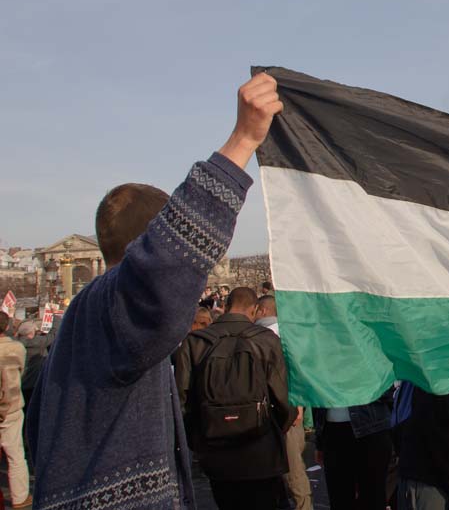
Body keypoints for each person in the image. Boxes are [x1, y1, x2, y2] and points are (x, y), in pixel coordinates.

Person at [26, 73, 281, 510]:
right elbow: (167, 264)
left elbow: (37, 430)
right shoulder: (114, 308)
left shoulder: (79, 321)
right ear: (147, 245)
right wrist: (242, 141)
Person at [175, 286, 294, 510]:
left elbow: (183, 402)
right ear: (255, 309)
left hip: (216, 449)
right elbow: (282, 398)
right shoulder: (266, 340)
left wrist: (200, 439)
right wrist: (275, 427)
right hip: (260, 446)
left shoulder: (194, 343)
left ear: (227, 305)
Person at [254, 295, 313, 510]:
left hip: (277, 410)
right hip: (290, 408)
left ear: (260, 310)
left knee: (291, 473)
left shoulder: (260, 336)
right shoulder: (290, 334)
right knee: (293, 472)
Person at [0, 312, 32, 508]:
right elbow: (22, 371)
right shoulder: (17, 348)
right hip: (11, 406)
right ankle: (20, 496)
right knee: (16, 455)